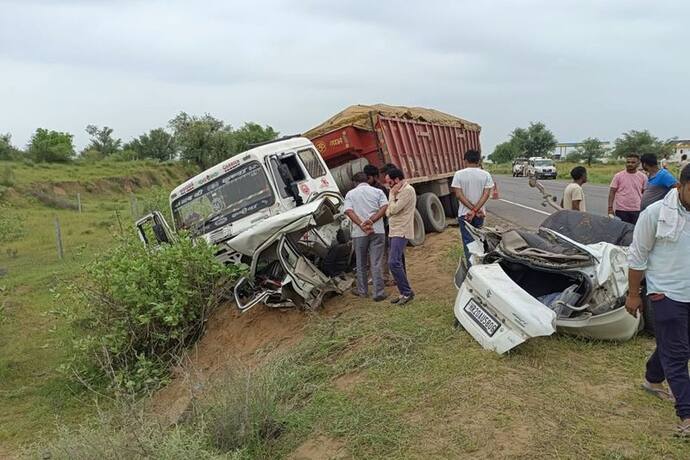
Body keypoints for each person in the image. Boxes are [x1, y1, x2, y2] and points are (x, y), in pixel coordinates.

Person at [626, 164, 690, 438]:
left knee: (674, 345)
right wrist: (633, 294)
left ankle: (653, 379)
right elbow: (637, 256)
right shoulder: (655, 214)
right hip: (665, 292)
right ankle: (687, 414)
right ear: (680, 186)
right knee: (678, 353)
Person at [343, 172, 388, 301]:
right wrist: (372, 220)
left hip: (359, 233)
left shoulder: (350, 194)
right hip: (377, 230)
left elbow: (348, 211)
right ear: (368, 180)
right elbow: (384, 206)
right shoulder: (377, 192)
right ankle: (378, 292)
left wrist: (361, 224)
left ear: (354, 183)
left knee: (361, 262)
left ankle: (362, 291)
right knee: (376, 262)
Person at [451, 150, 494, 264]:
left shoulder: (458, 174)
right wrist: (476, 210)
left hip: (464, 215)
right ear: (479, 161)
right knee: (480, 240)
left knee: (468, 242)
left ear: (465, 160)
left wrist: (471, 210)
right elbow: (486, 195)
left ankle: (472, 268)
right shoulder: (486, 175)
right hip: (480, 214)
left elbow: (459, 195)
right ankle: (481, 265)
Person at [384, 167, 416, 305]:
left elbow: (393, 210)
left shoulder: (407, 191)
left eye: (389, 182)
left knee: (393, 262)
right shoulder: (399, 190)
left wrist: (391, 195)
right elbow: (387, 212)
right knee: (399, 263)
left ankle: (406, 293)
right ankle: (404, 292)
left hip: (401, 230)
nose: (388, 185)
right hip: (394, 230)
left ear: (396, 179)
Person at [608, 154, 647, 224]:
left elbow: (645, 194)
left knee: (635, 232)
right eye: (628, 162)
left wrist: (645, 209)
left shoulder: (643, 177)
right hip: (621, 210)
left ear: (638, 164)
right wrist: (610, 208)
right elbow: (612, 192)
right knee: (622, 232)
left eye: (633, 162)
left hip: (637, 210)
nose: (630, 164)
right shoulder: (618, 176)